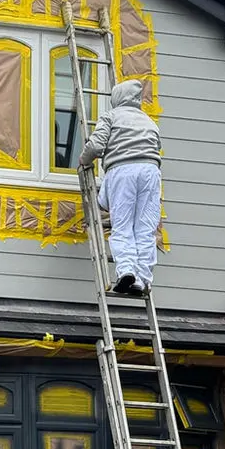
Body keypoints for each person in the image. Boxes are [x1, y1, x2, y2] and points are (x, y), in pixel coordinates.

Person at [77, 79, 161, 297]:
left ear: (116, 97)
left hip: (123, 170)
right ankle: (142, 280)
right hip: (151, 172)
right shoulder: (149, 122)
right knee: (145, 229)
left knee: (122, 225)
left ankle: (126, 271)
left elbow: (96, 146)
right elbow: (156, 146)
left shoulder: (111, 116)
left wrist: (84, 160)